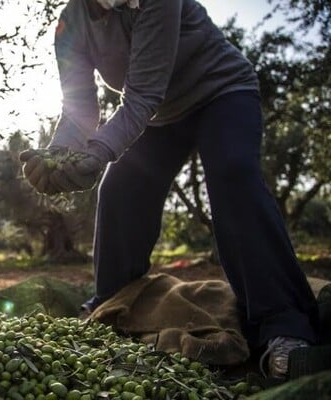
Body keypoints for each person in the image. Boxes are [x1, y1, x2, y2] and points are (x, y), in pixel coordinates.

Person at [19, 0, 320, 379]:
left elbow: (142, 96)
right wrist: (57, 157)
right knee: (120, 191)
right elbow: (79, 111)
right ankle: (113, 303)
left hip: (222, 92)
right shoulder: (70, 24)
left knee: (233, 174)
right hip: (160, 118)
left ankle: (285, 324)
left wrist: (98, 152)